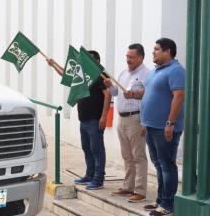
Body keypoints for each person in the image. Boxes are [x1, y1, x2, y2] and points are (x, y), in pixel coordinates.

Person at [48, 50, 111, 190]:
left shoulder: (101, 75)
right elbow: (67, 76)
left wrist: (104, 116)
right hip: (84, 120)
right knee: (87, 149)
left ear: (94, 61)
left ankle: (98, 179)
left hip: (95, 120)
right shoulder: (84, 76)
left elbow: (108, 95)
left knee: (97, 150)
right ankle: (89, 175)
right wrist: (53, 65)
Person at [138, 38, 185, 216]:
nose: (153, 52)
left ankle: (168, 204)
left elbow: (179, 96)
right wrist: (144, 121)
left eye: (157, 49)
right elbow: (149, 94)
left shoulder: (176, 71)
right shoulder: (155, 72)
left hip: (165, 128)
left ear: (167, 51)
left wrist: (170, 123)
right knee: (158, 165)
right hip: (151, 126)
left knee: (167, 165)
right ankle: (160, 199)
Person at [104, 44, 150, 203]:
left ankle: (140, 190)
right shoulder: (124, 73)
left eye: (131, 57)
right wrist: (110, 86)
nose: (128, 60)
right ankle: (127, 186)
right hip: (122, 119)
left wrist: (145, 122)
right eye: (127, 57)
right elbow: (116, 92)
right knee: (127, 155)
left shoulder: (146, 75)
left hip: (136, 119)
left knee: (138, 156)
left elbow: (149, 99)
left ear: (141, 57)